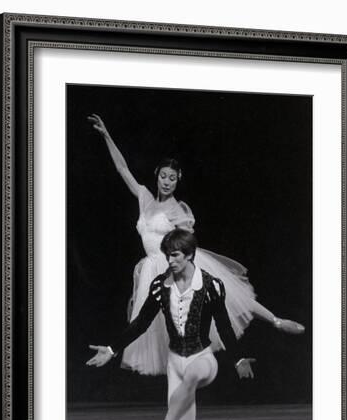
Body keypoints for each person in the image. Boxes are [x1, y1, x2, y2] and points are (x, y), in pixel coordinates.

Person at [87, 114, 304, 377]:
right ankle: (178, 383)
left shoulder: (178, 210)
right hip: (151, 267)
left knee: (230, 300)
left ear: (178, 180)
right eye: (164, 176)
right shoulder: (144, 197)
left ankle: (276, 320)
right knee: (150, 324)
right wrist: (106, 135)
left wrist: (181, 265)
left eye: (173, 178)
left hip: (175, 263)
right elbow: (122, 169)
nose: (167, 181)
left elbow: (187, 242)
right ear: (157, 176)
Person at [86, 229, 257, 420]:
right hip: (175, 362)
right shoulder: (160, 286)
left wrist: (238, 358)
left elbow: (224, 326)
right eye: (168, 255)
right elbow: (141, 323)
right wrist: (111, 349)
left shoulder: (211, 286)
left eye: (175, 255)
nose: (170, 260)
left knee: (193, 375)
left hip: (202, 358)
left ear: (189, 255)